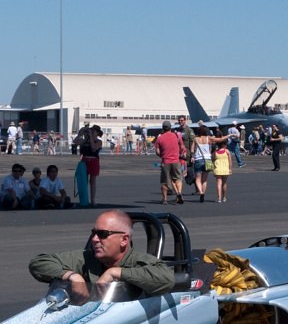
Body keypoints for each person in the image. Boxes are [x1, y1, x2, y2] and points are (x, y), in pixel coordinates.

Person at [28, 209, 175, 296]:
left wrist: (115, 273)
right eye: (93, 233)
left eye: (102, 234)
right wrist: (72, 276)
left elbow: (167, 278)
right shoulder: (88, 258)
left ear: (124, 240)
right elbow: (39, 263)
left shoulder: (140, 261)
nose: (94, 239)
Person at [153, 120, 185, 205]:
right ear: (171, 127)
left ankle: (165, 199)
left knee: (164, 181)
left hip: (166, 161)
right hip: (176, 160)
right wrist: (179, 154)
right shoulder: (176, 135)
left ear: (163, 128)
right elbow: (182, 147)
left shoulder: (160, 138)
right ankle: (179, 193)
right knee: (178, 178)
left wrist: (163, 156)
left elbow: (157, 151)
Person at [74, 124, 103, 205]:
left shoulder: (99, 141)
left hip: (94, 161)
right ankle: (84, 199)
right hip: (84, 161)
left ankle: (93, 200)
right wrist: (80, 134)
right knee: (83, 181)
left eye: (93, 131)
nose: (92, 132)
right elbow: (75, 142)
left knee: (92, 181)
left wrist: (90, 136)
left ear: (97, 133)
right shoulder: (85, 140)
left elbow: (94, 148)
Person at [212, 138, 232, 203]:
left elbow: (213, 160)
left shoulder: (215, 152)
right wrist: (230, 169)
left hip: (218, 169)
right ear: (224, 145)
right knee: (224, 183)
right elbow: (230, 161)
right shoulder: (227, 151)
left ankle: (219, 198)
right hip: (225, 169)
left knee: (218, 184)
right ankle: (224, 197)